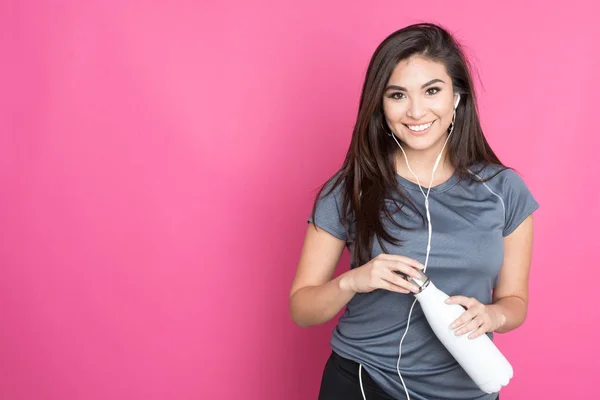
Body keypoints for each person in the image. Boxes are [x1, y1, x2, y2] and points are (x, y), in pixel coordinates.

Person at [289, 23, 539, 400]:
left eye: (432, 90)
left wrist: (493, 316)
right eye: (397, 94)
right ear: (380, 104)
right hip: (362, 383)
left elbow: (515, 302)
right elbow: (302, 308)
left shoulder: (505, 190)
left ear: (457, 96)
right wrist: (354, 280)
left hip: (470, 386)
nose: (416, 110)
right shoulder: (349, 188)